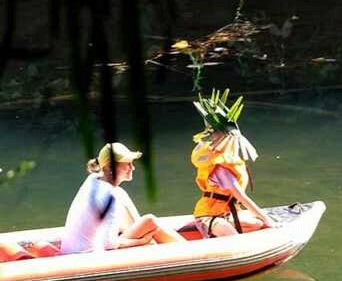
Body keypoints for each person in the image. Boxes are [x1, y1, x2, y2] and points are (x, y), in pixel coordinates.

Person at [59, 142, 186, 255]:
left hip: (77, 250)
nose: (132, 168)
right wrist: (141, 241)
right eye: (127, 164)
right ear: (109, 168)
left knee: (124, 198)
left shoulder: (93, 179)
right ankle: (187, 252)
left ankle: (156, 246)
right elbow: (109, 244)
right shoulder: (110, 196)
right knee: (150, 221)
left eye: (131, 163)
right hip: (89, 256)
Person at [190, 89, 276, 238]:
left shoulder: (229, 161)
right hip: (209, 216)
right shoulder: (221, 168)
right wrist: (268, 219)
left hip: (225, 213)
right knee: (236, 238)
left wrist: (263, 220)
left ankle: (223, 230)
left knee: (257, 224)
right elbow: (241, 197)